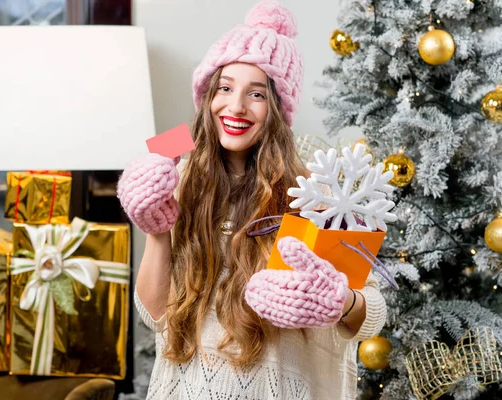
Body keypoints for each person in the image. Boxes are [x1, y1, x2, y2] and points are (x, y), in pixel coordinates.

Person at [117, 1, 387, 398]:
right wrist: (156, 234)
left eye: (256, 93)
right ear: (208, 97)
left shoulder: (312, 193)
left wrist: (341, 300)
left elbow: (373, 314)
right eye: (224, 88)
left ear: (277, 109)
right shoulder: (180, 179)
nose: (236, 106)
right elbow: (155, 315)